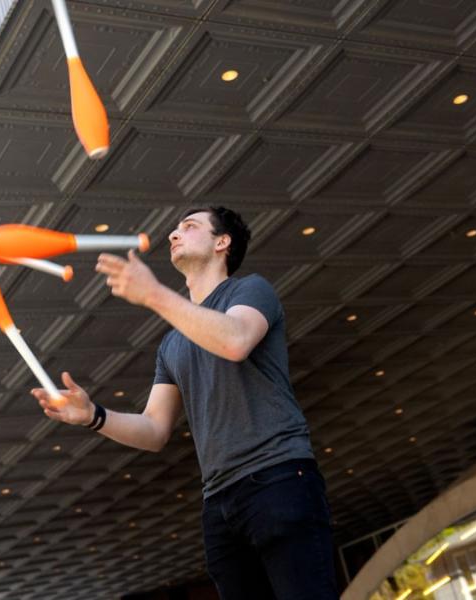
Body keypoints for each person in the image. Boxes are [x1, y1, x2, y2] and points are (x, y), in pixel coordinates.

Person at [31, 206, 338, 599]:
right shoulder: (172, 344)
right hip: (220, 504)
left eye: (189, 227)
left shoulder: (249, 290)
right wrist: (94, 416)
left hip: (278, 477)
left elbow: (235, 340)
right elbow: (155, 429)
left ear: (222, 242)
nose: (174, 235)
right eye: (174, 229)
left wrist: (155, 295)